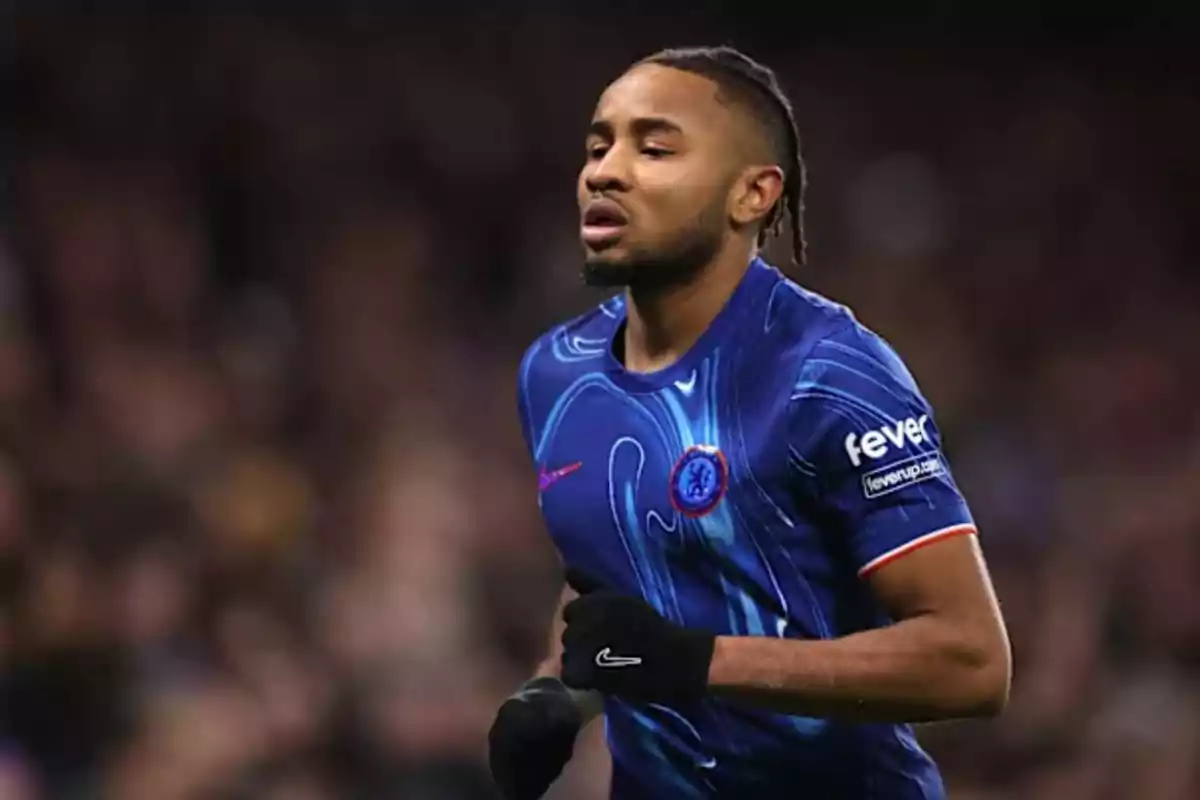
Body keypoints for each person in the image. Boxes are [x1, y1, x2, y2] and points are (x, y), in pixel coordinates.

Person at [487, 44, 1011, 800]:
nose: (605, 170)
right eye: (598, 145)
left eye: (655, 147)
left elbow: (973, 663)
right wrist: (557, 694)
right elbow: (624, 572)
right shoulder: (555, 372)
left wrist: (702, 663)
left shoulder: (830, 374)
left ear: (753, 194)